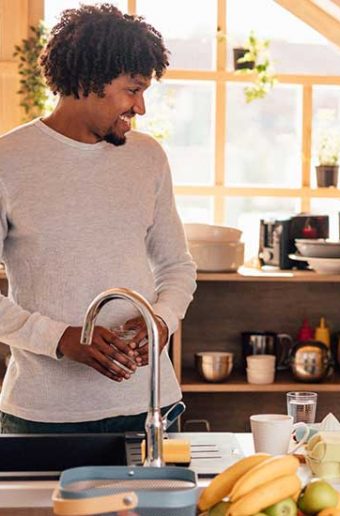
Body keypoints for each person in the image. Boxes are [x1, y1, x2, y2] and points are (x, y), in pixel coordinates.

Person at [0, 4, 197, 433]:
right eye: (133, 89)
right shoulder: (8, 161)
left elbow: (176, 266)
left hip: (151, 409)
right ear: (88, 81)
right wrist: (58, 338)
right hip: (44, 419)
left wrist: (162, 320)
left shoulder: (148, 157)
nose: (141, 107)